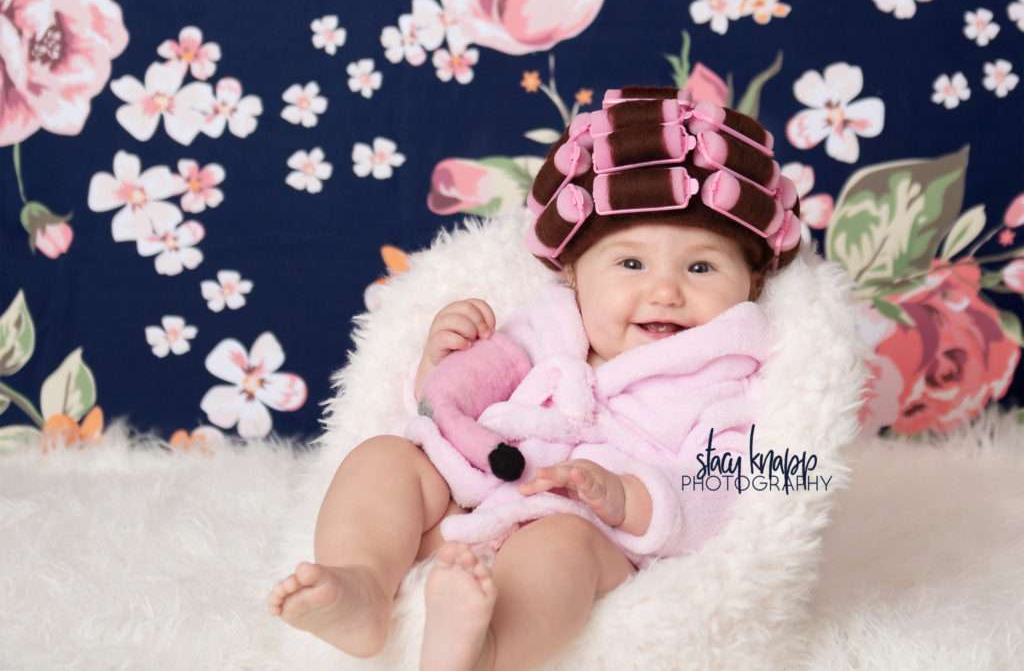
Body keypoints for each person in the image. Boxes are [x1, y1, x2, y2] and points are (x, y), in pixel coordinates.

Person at [267, 85, 803, 671]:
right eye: (631, 263)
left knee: (561, 551)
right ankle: (362, 586)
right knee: (385, 457)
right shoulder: (549, 327)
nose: (666, 290)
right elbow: (449, 405)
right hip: (473, 490)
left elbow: (720, 489)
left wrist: (627, 497)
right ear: (575, 276)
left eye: (701, 266)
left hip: (585, 523)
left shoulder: (727, 380)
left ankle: (484, 649)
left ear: (751, 284)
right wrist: (440, 360)